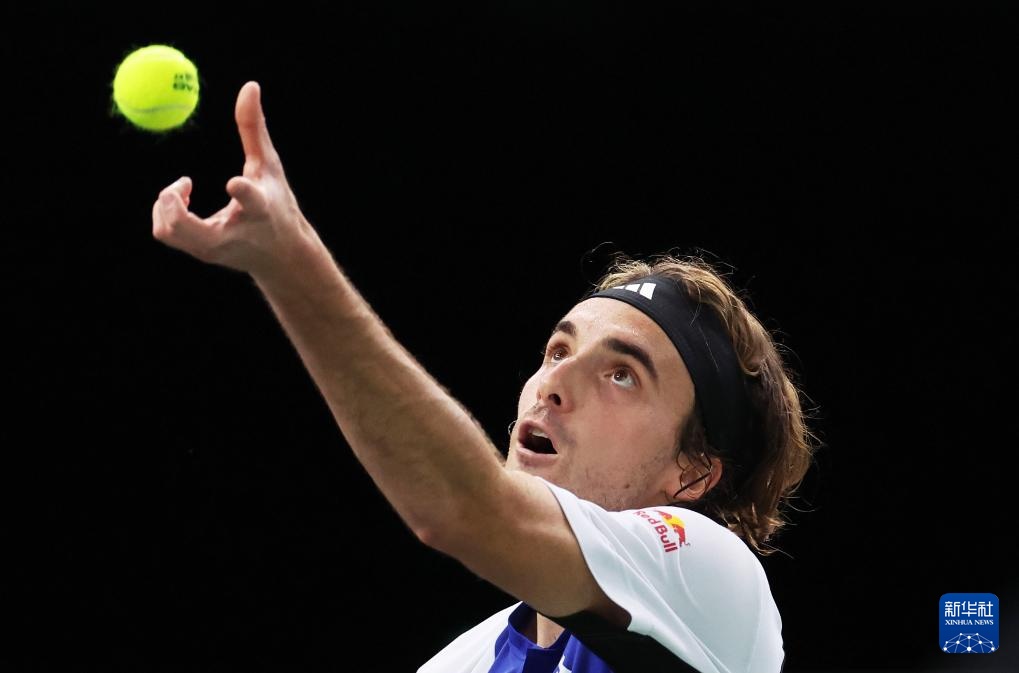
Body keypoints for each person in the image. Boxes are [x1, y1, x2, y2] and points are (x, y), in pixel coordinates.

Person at [152, 82, 817, 673]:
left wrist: (287, 260)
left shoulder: (713, 578)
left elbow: (465, 508)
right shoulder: (461, 662)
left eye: (622, 375)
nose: (553, 384)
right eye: (557, 351)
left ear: (693, 473)